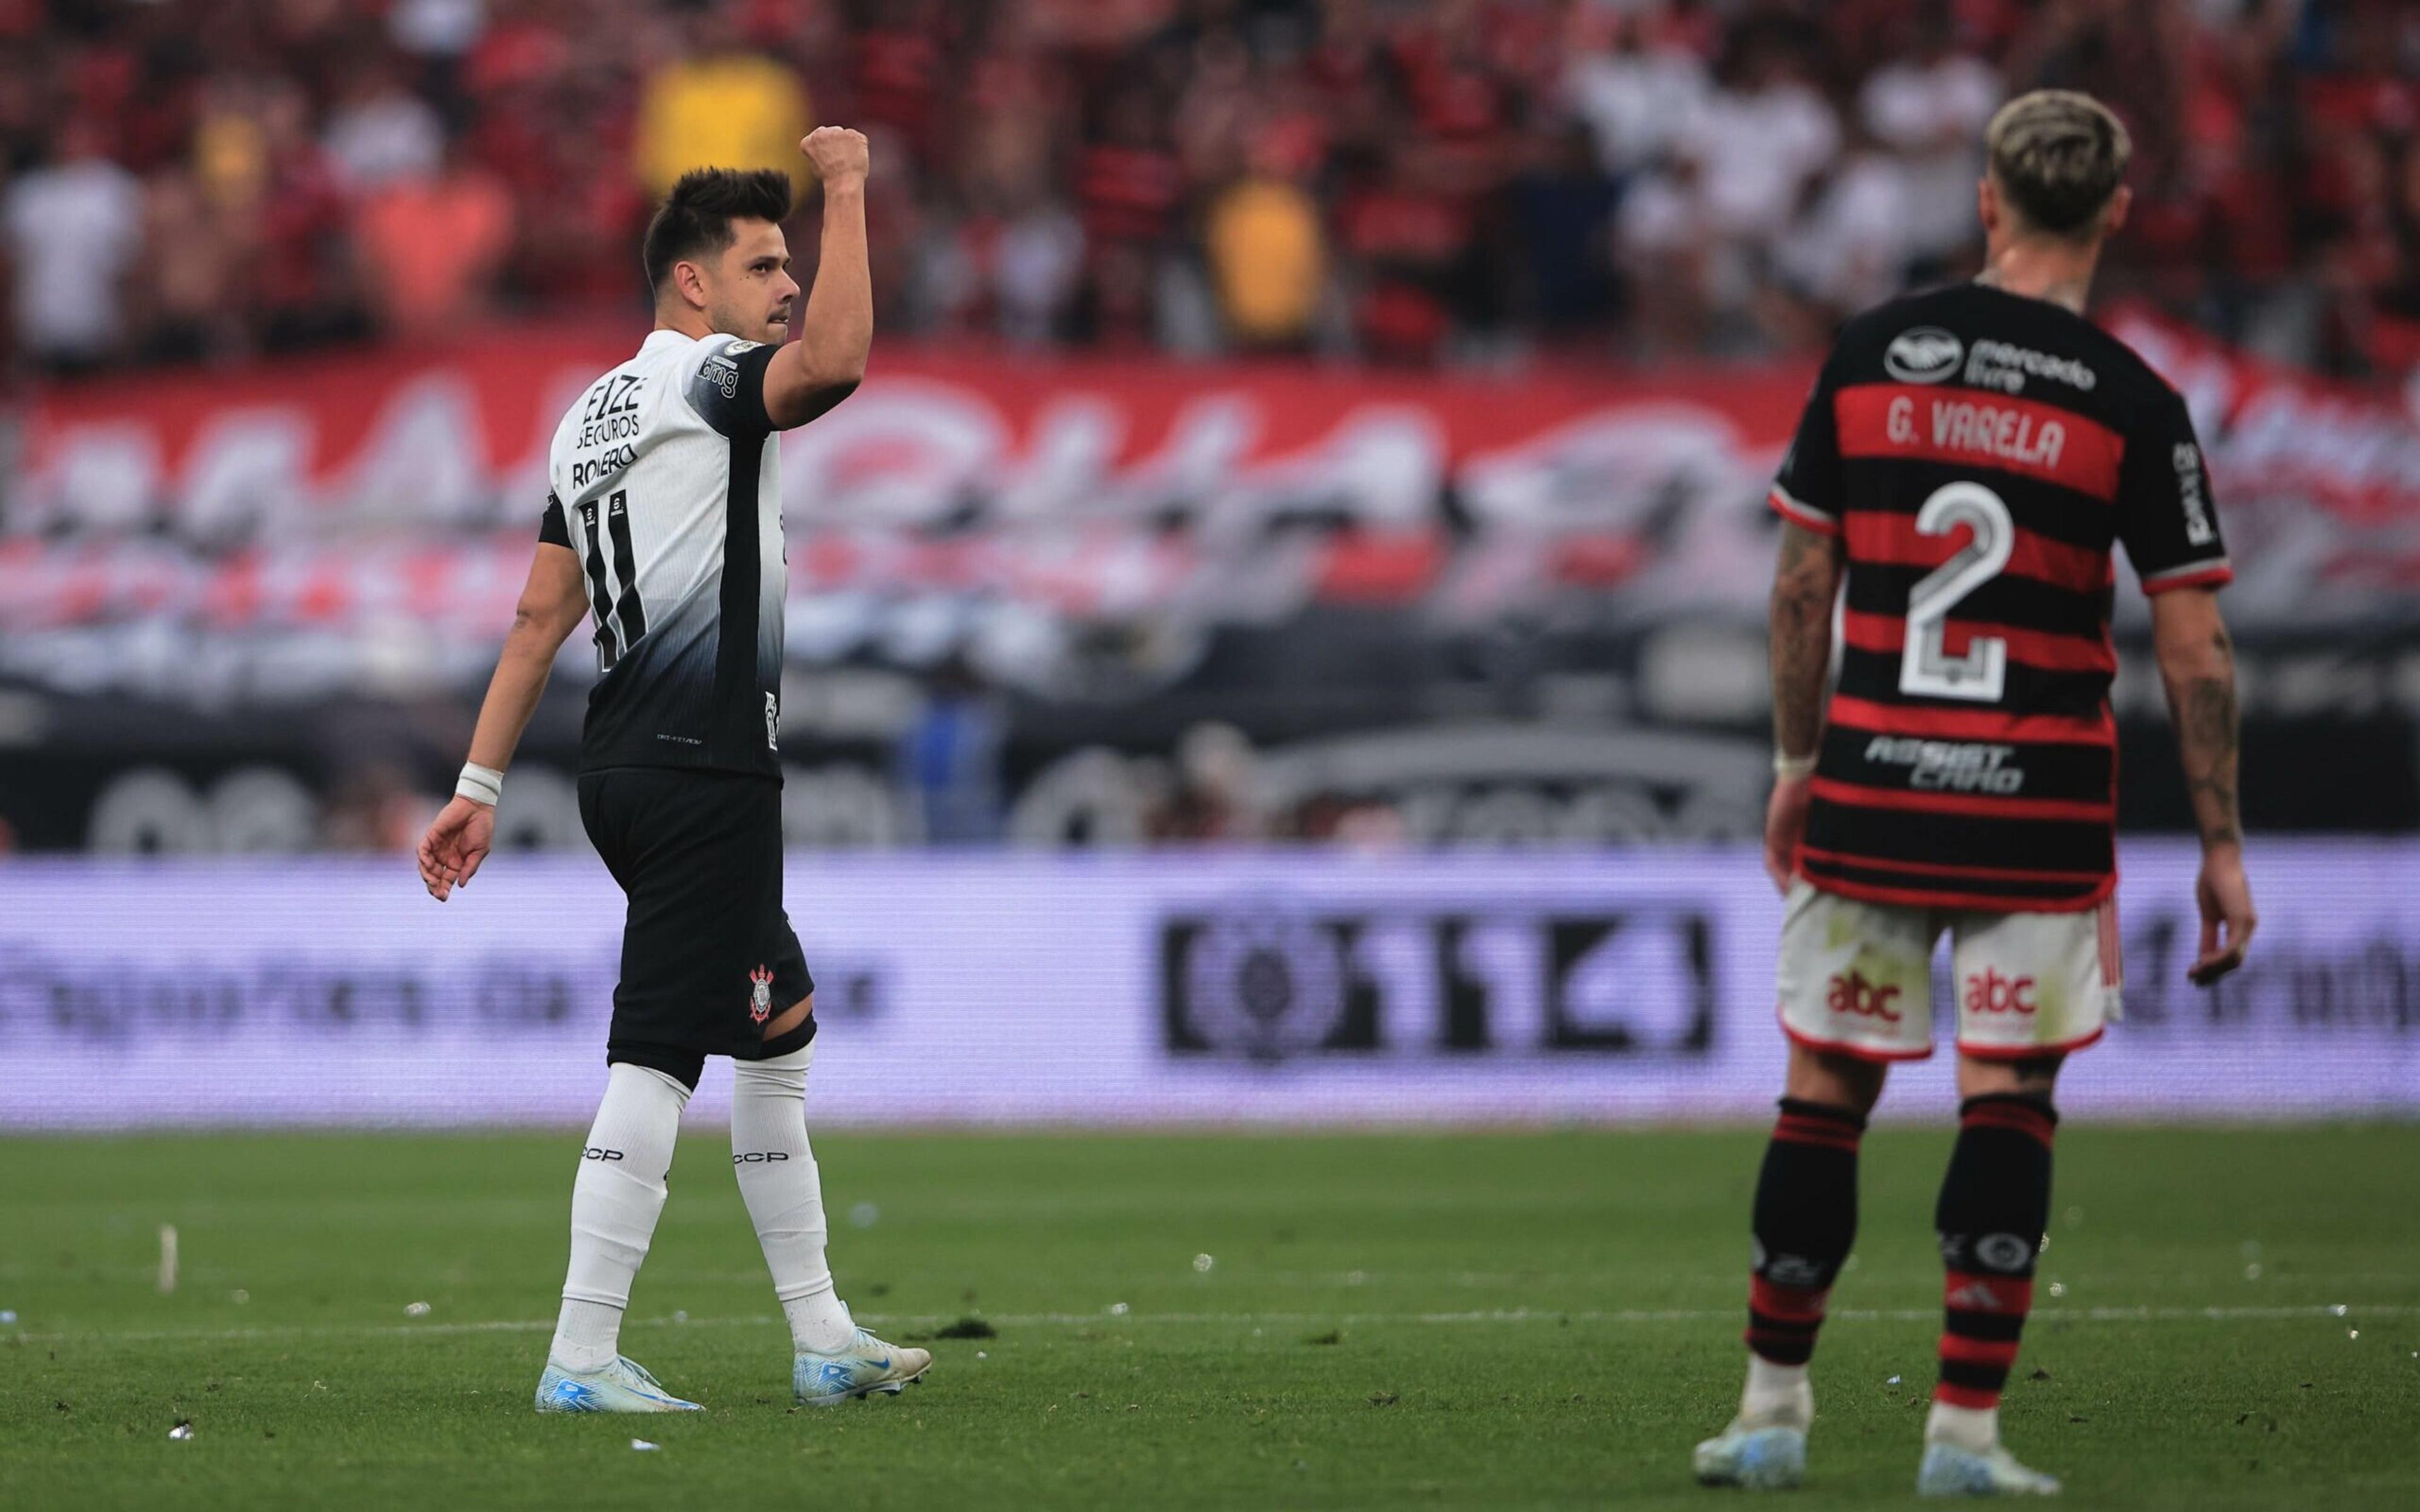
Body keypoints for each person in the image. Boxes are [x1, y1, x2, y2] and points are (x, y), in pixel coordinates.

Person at [1693, 90, 2256, 1497]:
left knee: (1823, 1090)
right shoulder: (2133, 401)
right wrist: (2224, 845)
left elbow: (1802, 582)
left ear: (1987, 199)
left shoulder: (1874, 354)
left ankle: (1769, 1416)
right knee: (2007, 1099)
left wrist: (1794, 767)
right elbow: (2195, 641)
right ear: (2116, 213)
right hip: (2037, 809)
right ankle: (1962, 1437)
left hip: (1874, 786)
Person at [415, 128, 932, 1414]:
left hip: (624, 767)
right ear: (693, 287)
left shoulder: (586, 418)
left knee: (778, 1034)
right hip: (703, 767)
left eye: (790, 262)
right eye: (765, 265)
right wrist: (851, 190)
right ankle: (581, 1360)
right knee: (655, 1059)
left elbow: (542, 617)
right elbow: (846, 364)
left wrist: (478, 789)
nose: (789, 286)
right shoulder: (708, 380)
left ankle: (823, 1339)